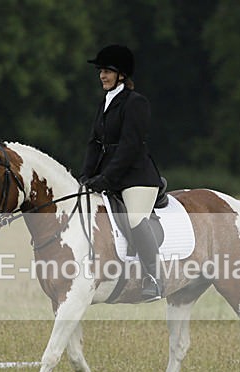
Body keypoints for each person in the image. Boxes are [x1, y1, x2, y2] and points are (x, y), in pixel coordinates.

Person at [80, 44, 164, 301]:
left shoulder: (136, 103)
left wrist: (105, 179)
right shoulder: (104, 102)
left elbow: (129, 147)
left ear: (121, 75)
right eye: (100, 71)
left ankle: (155, 277)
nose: (102, 76)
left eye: (107, 71)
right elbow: (95, 144)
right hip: (111, 176)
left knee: (135, 218)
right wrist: (84, 177)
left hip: (137, 177)